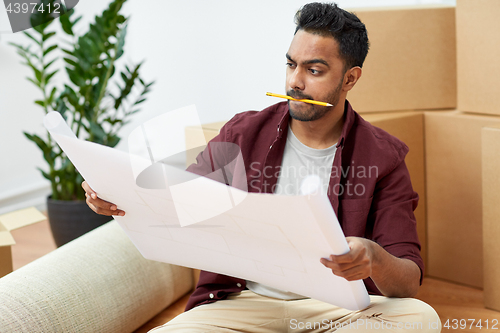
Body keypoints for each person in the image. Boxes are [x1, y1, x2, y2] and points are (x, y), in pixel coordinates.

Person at [83, 2, 441, 332]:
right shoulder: (243, 132)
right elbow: (179, 200)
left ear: (350, 78)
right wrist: (113, 194)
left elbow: (408, 281)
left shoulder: (385, 157)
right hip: (242, 303)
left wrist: (375, 259)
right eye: (290, 64)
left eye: (314, 70)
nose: (295, 82)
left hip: (334, 312)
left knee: (420, 318)